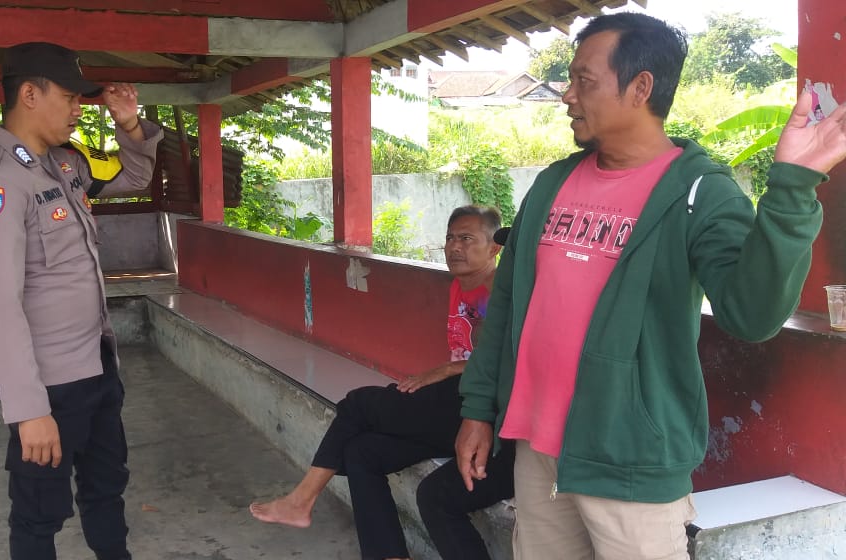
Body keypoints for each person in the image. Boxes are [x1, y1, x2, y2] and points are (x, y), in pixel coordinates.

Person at [453, 12, 846, 560]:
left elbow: (753, 316)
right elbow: (507, 307)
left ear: (640, 88)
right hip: (538, 451)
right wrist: (477, 410)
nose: (567, 95)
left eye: (584, 80)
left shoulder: (701, 193)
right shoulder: (550, 184)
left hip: (632, 461)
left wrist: (792, 188)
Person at [0, 42, 163, 560]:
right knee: (38, 514)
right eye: (69, 97)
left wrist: (129, 125)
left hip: (96, 364)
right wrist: (29, 410)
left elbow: (135, 177)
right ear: (30, 94)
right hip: (48, 384)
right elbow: (1, 305)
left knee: (106, 488)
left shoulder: (66, 164)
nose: (78, 109)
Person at [250, 206, 513, 560]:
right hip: (453, 406)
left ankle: (302, 500)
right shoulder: (459, 286)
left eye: (467, 239)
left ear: (494, 248)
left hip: (478, 410)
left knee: (359, 404)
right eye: (450, 238)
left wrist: (447, 370)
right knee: (362, 453)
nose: (455, 247)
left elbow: (504, 358)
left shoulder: (500, 292)